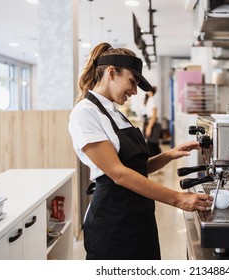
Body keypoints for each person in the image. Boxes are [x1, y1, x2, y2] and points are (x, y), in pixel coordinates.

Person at [68, 42, 212, 260]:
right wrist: (177, 199)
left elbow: (135, 167)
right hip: (113, 220)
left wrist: (169, 154)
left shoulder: (116, 113)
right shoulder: (85, 113)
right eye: (132, 81)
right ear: (111, 72)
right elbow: (118, 173)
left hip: (139, 213)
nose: (134, 91)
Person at [143, 86, 162, 157]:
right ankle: (160, 161)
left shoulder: (152, 100)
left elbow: (154, 116)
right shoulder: (150, 100)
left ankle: (157, 162)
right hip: (151, 122)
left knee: (151, 145)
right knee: (153, 145)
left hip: (153, 123)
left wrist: (149, 127)